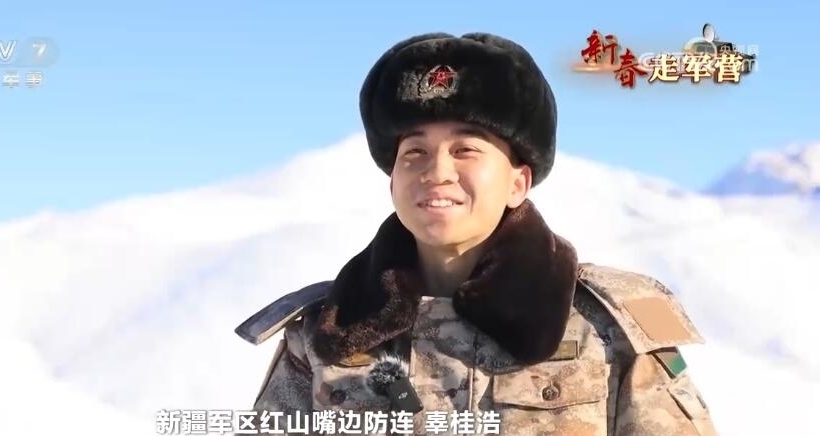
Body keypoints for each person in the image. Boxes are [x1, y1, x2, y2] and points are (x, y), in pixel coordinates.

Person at [235, 32, 718, 435]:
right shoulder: (326, 334)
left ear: (517, 183)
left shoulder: (606, 327)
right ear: (393, 181)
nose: (436, 172)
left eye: (466, 150)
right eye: (414, 153)